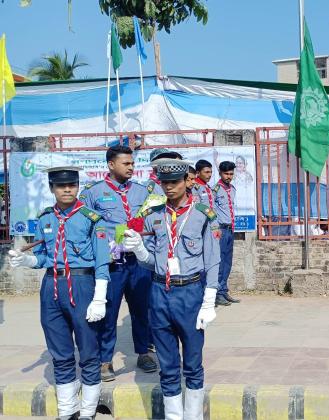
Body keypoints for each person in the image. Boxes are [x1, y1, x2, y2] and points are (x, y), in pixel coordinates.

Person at [9, 166, 110, 420]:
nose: (67, 190)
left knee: (88, 350)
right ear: (52, 188)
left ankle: (88, 411)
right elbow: (43, 257)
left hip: (82, 284)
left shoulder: (92, 218)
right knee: (60, 351)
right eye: (61, 186)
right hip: (51, 285)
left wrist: (99, 297)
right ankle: (67, 410)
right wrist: (25, 261)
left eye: (72, 185)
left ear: (77, 187)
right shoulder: (45, 219)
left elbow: (101, 261)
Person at [122, 158, 220, 420]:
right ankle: (174, 416)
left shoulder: (203, 214)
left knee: (192, 363)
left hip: (190, 292)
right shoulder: (154, 215)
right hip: (159, 292)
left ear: (187, 181)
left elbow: (213, 260)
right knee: (167, 365)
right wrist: (139, 249)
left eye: (174, 182)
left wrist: (209, 300)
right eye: (164, 182)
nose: (169, 187)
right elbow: (150, 261)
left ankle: (193, 416)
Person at [79, 146, 158, 381]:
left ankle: (144, 353)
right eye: (126, 163)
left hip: (138, 263)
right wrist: (102, 252)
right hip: (112, 264)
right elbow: (85, 228)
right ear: (111, 165)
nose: (131, 167)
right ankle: (105, 360)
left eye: (132, 163)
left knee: (142, 310)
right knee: (109, 312)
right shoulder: (93, 193)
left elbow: (151, 224)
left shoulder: (142, 192)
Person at [213, 161, 240, 306]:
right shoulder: (215, 190)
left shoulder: (232, 189)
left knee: (228, 262)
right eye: (226, 174)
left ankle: (223, 290)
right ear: (220, 173)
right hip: (221, 230)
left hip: (230, 229)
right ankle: (217, 294)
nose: (229, 176)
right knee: (220, 262)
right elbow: (210, 210)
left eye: (231, 174)